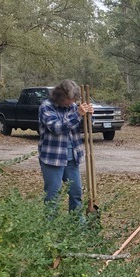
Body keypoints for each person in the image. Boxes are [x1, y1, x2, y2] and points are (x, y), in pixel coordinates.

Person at [38, 79, 93, 219]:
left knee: (76, 193)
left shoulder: (73, 107)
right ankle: (50, 230)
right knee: (53, 196)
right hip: (53, 159)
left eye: (73, 100)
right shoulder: (46, 106)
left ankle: (77, 227)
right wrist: (77, 115)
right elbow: (56, 127)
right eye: (69, 100)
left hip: (72, 158)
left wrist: (88, 117)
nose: (71, 103)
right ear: (60, 96)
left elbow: (82, 128)